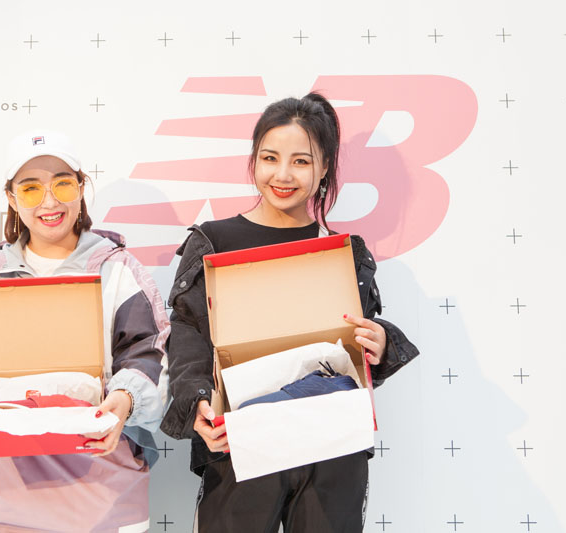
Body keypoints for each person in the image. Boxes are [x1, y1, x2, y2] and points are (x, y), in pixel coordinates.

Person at [160, 93, 420, 532]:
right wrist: (197, 401)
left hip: (331, 446)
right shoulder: (213, 242)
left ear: (324, 169)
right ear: (253, 160)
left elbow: (353, 348)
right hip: (239, 441)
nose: (282, 175)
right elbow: (187, 332)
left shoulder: (342, 253)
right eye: (269, 158)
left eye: (301, 161)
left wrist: (381, 341)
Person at [0, 129, 169, 532]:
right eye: (31, 188)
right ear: (11, 198)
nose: (50, 202)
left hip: (103, 486)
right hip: (7, 494)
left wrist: (124, 399)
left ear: (81, 188)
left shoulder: (117, 270)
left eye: (63, 184)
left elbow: (152, 350)